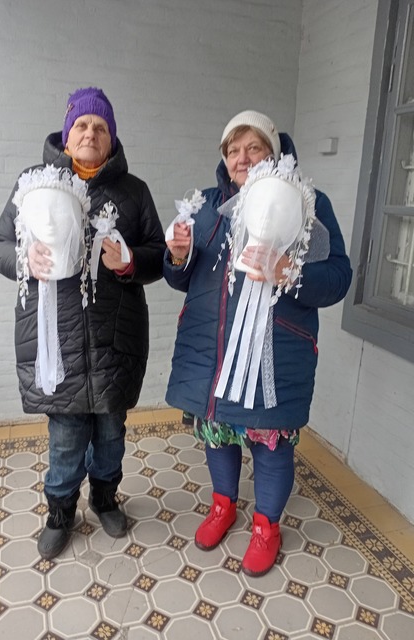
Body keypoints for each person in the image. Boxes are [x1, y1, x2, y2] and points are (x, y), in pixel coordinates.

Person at [164, 110, 352, 577]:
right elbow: (181, 278)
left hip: (275, 352)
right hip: (213, 351)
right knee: (218, 434)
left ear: (274, 151)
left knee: (270, 444)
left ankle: (267, 527)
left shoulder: (308, 202)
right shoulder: (208, 205)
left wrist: (291, 272)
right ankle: (223, 505)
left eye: (253, 148)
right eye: (233, 150)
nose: (242, 158)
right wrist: (177, 256)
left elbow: (338, 277)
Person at [0, 87, 165, 559]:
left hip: (115, 337)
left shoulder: (134, 192)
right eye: (82, 125)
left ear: (112, 138)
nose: (90, 133)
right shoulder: (34, 184)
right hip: (57, 340)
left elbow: (159, 256)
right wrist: (25, 259)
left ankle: (104, 497)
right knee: (65, 438)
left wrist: (130, 261)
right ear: (67, 135)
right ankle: (61, 512)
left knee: (111, 432)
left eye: (100, 127)